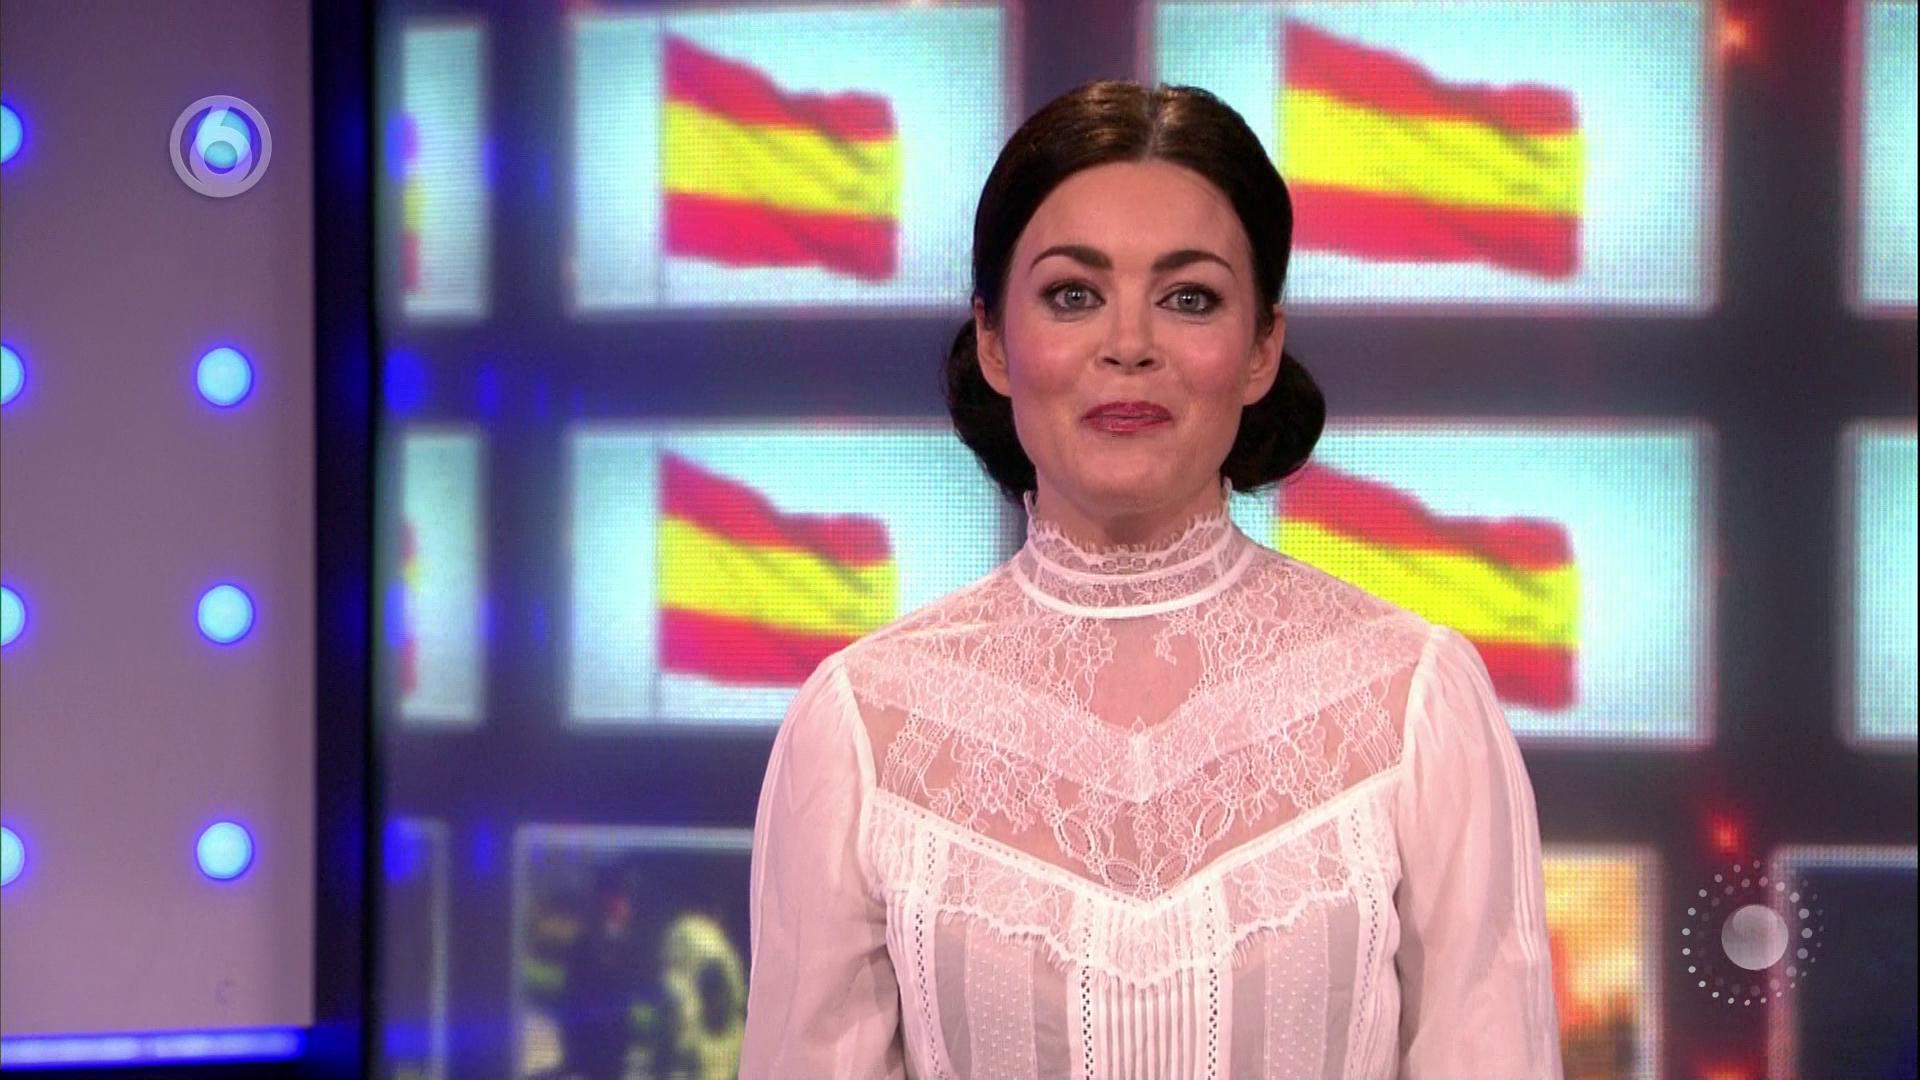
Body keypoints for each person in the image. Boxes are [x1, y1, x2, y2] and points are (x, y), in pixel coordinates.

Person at [739, 80, 1564, 1079]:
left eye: (1189, 298)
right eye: (1072, 295)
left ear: (1262, 347)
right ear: (994, 340)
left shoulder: (1414, 704)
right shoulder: (860, 728)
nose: (1129, 346)